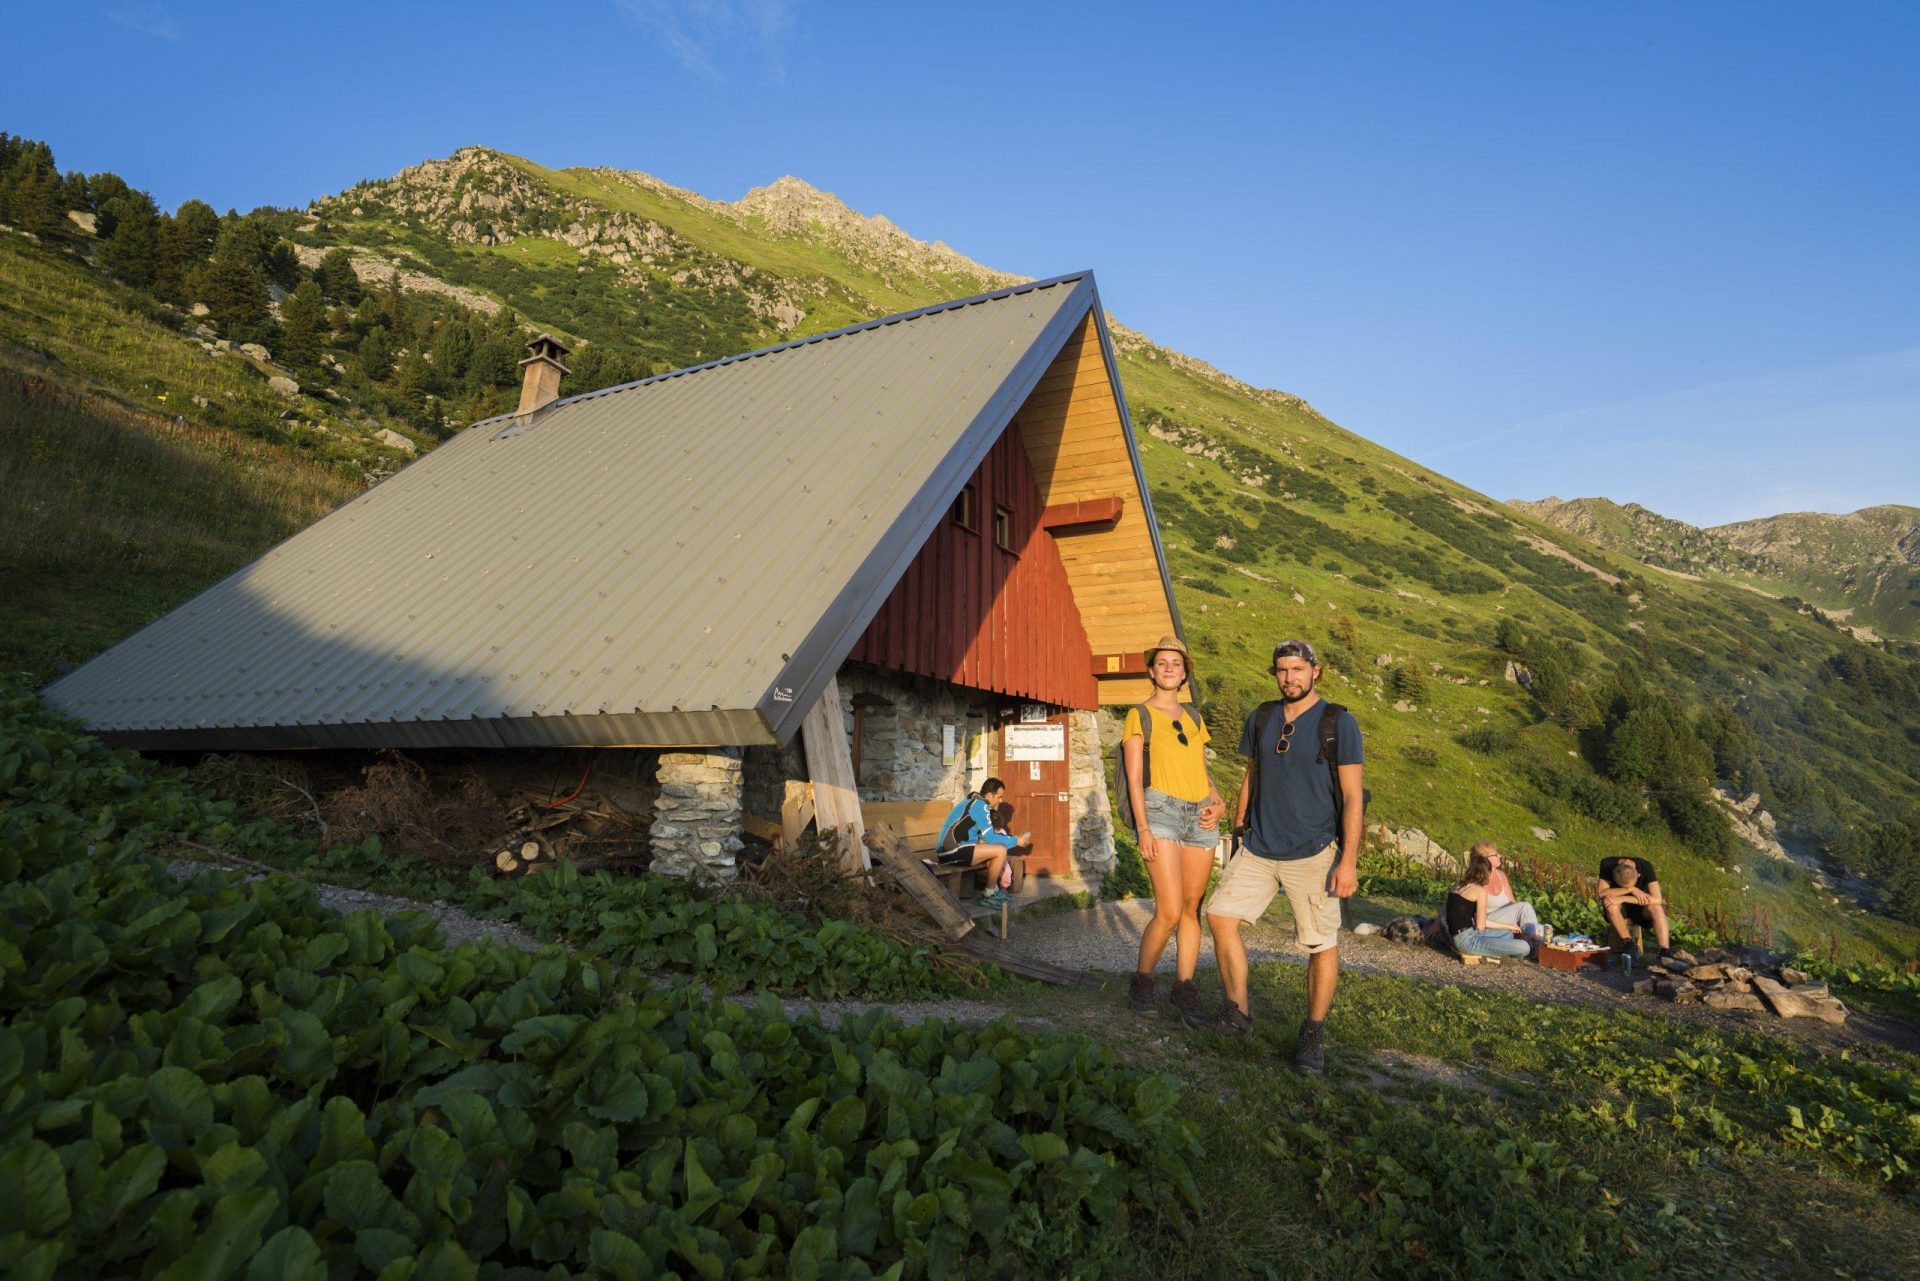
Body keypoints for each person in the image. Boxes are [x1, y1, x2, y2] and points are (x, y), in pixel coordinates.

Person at [1205, 639, 1364, 1075]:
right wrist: (1238, 833)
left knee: (1320, 943)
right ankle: (1237, 1014)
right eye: (1282, 670)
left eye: (1298, 669)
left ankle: (1312, 1033)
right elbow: (1251, 777)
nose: (1290, 677)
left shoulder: (1337, 722)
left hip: (1314, 852)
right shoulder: (1261, 717)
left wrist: (1347, 860)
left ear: (1317, 671)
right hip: (1258, 847)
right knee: (1220, 916)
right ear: (1274, 673)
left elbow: (1352, 798)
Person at [1121, 635, 1226, 1023]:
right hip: (1160, 811)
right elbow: (1134, 779)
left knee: (1190, 909)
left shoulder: (1195, 717)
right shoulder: (1140, 715)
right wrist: (1143, 829)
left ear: (1184, 674)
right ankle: (1143, 980)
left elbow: (1201, 770)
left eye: (1176, 664)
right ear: (1152, 671)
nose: (1169, 668)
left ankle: (1184, 988)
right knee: (1167, 909)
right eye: (1162, 662)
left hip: (1199, 815)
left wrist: (1218, 802)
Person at [935, 777, 1027, 911]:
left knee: (993, 849)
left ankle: (993, 891)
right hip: (951, 851)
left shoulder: (972, 802)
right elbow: (991, 837)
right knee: (1000, 850)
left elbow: (985, 838)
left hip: (951, 849)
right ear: (990, 795)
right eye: (999, 797)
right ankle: (988, 895)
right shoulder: (980, 806)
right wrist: (1016, 841)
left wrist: (1011, 839)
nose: (1000, 801)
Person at [1446, 851, 1534, 959]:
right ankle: (1508, 953)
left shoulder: (1457, 885)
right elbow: (1481, 926)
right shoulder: (1479, 891)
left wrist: (1508, 927)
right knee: (1524, 947)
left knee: (1508, 934)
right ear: (1486, 873)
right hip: (1467, 941)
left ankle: (1501, 948)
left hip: (1458, 935)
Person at [1596, 856, 1671, 959]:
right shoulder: (1607, 864)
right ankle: (1628, 943)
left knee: (1657, 909)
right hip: (1618, 907)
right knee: (1611, 905)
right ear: (1613, 874)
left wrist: (1624, 898)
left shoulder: (1645, 867)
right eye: (1622, 887)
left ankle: (1664, 951)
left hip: (1640, 908)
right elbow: (1601, 893)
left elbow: (1657, 899)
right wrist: (1630, 889)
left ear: (1638, 875)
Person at [1475, 841, 1545, 942]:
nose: (1499, 856)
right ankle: (1539, 943)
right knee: (1525, 907)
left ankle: (1539, 940)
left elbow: (1513, 904)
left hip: (1506, 919)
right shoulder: (1477, 879)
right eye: (1495, 855)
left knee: (1538, 925)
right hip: (1488, 921)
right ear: (1484, 859)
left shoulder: (1501, 875)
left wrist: (1518, 922)